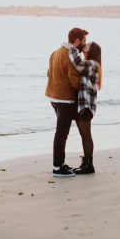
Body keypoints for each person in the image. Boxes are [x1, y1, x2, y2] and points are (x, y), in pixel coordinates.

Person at [45, 27, 88, 177]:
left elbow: (48, 73)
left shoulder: (55, 52)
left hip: (53, 97)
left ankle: (60, 163)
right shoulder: (72, 53)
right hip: (65, 100)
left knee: (61, 133)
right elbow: (75, 81)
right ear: (76, 41)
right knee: (61, 134)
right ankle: (57, 167)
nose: (84, 43)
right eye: (83, 40)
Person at [66, 41, 102, 174]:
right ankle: (86, 163)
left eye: (88, 45)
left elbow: (77, 65)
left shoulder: (92, 64)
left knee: (86, 136)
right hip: (85, 106)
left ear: (91, 50)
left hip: (86, 107)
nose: (85, 45)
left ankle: (89, 165)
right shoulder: (92, 64)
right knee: (84, 135)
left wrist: (71, 48)